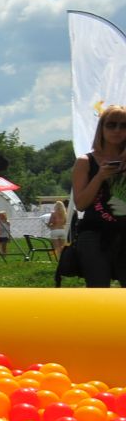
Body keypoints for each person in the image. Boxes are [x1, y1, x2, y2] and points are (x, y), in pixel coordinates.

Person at [71, 106, 126, 287]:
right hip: (95, 234)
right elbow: (80, 204)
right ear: (101, 129)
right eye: (111, 125)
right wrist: (100, 176)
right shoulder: (85, 162)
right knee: (98, 290)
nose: (117, 130)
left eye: (123, 126)